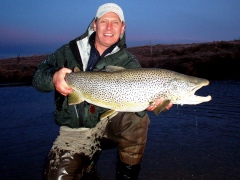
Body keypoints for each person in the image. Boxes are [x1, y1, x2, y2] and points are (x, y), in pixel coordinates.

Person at [32, 3, 172, 180]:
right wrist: (54, 77)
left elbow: (137, 109)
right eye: (104, 21)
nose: (109, 27)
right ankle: (87, 162)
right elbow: (37, 76)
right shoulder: (69, 51)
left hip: (108, 127)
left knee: (138, 120)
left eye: (115, 22)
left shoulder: (129, 61)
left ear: (123, 27)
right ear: (94, 24)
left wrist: (153, 104)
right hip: (74, 132)